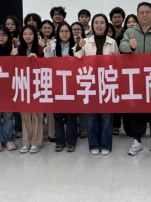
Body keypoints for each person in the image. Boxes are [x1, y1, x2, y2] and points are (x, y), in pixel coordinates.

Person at [120, 2, 151, 158]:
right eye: (141, 12)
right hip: (136, 79)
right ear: (137, 15)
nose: (145, 15)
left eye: (148, 12)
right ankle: (137, 140)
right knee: (137, 112)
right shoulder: (129, 32)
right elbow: (122, 47)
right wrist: (130, 46)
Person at [75, 14, 119, 155]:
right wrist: (79, 46)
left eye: (102, 22)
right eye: (96, 23)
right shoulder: (86, 41)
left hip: (107, 82)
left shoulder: (112, 42)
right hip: (90, 83)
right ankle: (93, 144)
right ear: (92, 26)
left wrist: (114, 60)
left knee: (107, 115)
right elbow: (75, 57)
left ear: (106, 25)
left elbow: (119, 64)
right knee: (92, 115)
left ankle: (105, 144)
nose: (99, 25)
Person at [44, 22, 79, 152]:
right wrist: (48, 53)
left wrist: (72, 59)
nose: (64, 33)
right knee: (57, 115)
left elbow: (82, 61)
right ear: (58, 33)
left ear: (70, 33)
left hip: (71, 85)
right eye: (62, 31)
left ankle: (71, 141)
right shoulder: (52, 47)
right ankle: (59, 140)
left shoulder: (76, 47)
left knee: (71, 115)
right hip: (56, 85)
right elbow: (47, 63)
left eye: (67, 31)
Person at [15, 25, 45, 154]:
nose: (27, 36)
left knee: (37, 114)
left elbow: (47, 66)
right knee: (25, 114)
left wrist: (37, 60)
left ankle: (36, 142)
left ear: (35, 35)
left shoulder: (41, 49)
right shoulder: (18, 49)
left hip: (37, 84)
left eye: (30, 34)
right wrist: (14, 56)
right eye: (25, 34)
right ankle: (26, 142)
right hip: (23, 84)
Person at [70, 22, 88, 139]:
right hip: (70, 77)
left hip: (84, 75)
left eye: (79, 29)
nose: (76, 31)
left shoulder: (87, 42)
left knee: (83, 103)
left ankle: (83, 129)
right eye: (74, 29)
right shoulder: (67, 42)